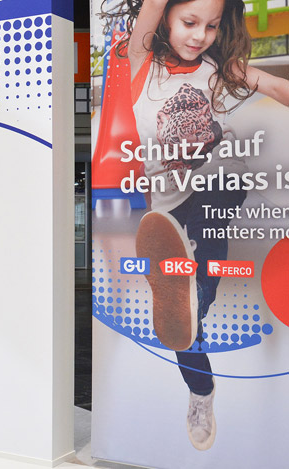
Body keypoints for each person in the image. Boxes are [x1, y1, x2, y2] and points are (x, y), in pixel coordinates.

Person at [102, 0, 289, 451]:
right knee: (185, 324)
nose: (200, 35)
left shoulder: (218, 69)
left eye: (211, 26)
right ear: (166, 15)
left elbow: (276, 88)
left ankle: (189, 296)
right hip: (171, 203)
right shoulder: (141, 61)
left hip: (219, 178)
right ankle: (201, 389)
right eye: (189, 22)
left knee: (213, 209)